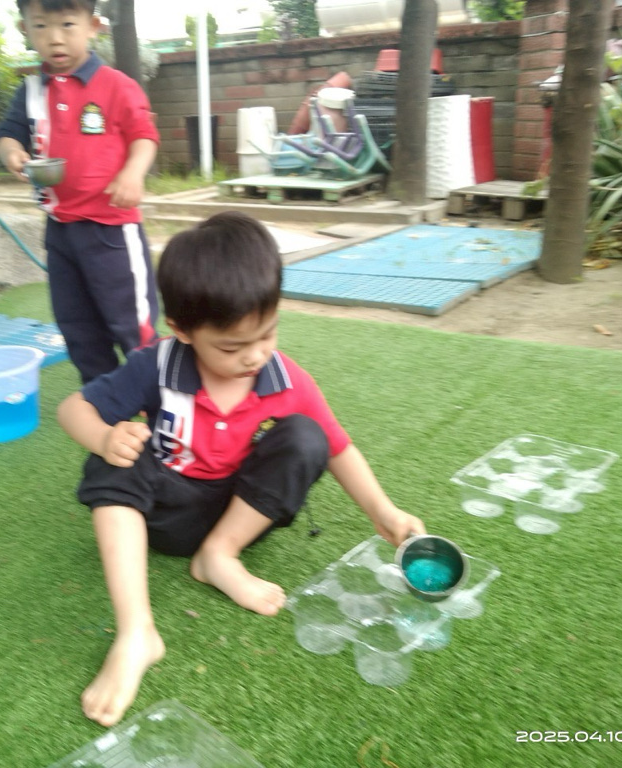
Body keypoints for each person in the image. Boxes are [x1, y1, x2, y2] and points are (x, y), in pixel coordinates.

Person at [57, 211, 427, 727]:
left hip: (242, 513)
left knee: (307, 437)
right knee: (114, 456)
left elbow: (338, 448)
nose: (254, 356)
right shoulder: (155, 366)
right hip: (164, 512)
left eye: (267, 334)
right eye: (231, 346)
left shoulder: (284, 377)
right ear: (182, 330)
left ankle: (219, 556)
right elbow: (72, 409)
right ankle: (137, 631)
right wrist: (105, 437)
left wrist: (383, 511)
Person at [0, 0, 160, 383]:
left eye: (67, 25)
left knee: (133, 325)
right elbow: (7, 134)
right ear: (25, 30)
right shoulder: (30, 92)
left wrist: (133, 173)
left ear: (93, 26)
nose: (55, 38)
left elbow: (144, 136)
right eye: (41, 26)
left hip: (112, 229)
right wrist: (12, 153)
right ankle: (102, 399)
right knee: (78, 326)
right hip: (61, 231)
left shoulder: (117, 86)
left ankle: (158, 399)